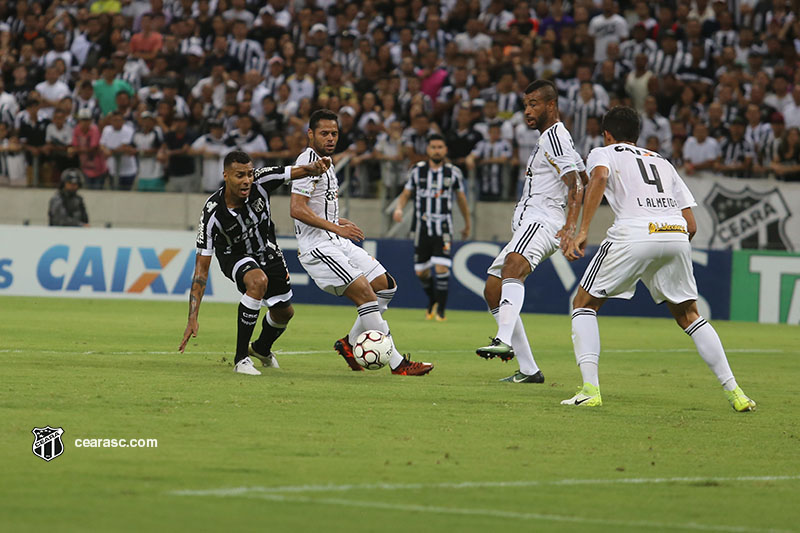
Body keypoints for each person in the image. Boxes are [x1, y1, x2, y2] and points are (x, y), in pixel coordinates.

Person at [561, 106, 756, 412]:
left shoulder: (603, 152)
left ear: (607, 134)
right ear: (637, 136)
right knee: (689, 314)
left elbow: (598, 178)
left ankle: (589, 390)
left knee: (583, 304)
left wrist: (583, 229)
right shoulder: (662, 161)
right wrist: (666, 244)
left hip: (634, 233)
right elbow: (692, 225)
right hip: (675, 233)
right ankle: (736, 392)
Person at [290, 109, 433, 376]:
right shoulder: (307, 162)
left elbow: (316, 207)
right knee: (366, 293)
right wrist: (334, 227)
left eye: (334, 133)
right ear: (310, 134)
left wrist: (338, 220)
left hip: (334, 238)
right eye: (324, 133)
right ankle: (398, 363)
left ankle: (348, 343)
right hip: (318, 247)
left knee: (385, 286)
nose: (331, 138)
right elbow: (297, 209)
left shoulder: (327, 162)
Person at [179, 150, 332, 375]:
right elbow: (201, 270)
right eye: (240, 175)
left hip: (267, 249)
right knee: (257, 282)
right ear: (226, 175)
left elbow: (294, 171)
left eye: (249, 174)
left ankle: (261, 348)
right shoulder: (213, 214)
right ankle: (241, 358)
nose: (247, 180)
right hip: (235, 255)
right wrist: (193, 317)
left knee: (284, 313)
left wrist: (316, 167)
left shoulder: (261, 181)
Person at [475, 80, 586, 384]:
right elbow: (584, 177)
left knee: (513, 267)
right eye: (525, 104)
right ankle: (528, 370)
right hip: (532, 221)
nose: (527, 110)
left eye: (534, 103)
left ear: (552, 105)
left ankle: (503, 339)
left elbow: (574, 184)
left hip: (543, 219)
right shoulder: (558, 139)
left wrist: (570, 228)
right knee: (493, 289)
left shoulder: (554, 136)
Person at [392, 134, 471, 321]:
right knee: (421, 272)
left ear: (445, 150)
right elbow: (405, 194)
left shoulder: (454, 173)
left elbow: (461, 199)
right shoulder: (417, 171)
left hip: (444, 227)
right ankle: (433, 299)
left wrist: (467, 224)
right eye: (433, 147)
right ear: (427, 150)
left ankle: (441, 310)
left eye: (440, 147)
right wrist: (398, 208)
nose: (437, 150)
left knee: (441, 267)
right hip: (422, 228)